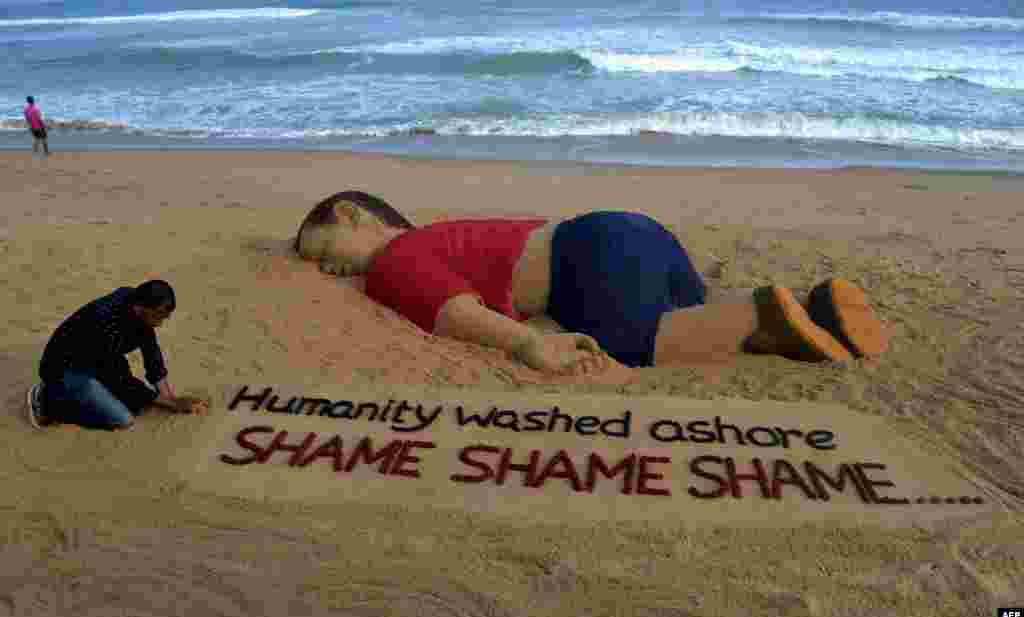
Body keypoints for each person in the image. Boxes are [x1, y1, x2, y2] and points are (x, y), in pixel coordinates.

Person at [294, 191, 889, 374]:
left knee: (630, 341)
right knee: (689, 310)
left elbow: (452, 312)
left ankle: (760, 315)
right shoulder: (451, 233)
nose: (328, 269)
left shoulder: (397, 258)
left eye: (324, 251)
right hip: (632, 232)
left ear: (352, 215)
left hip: (587, 261)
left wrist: (530, 343)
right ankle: (814, 309)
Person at [27, 280, 208, 430]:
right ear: (142, 307)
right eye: (159, 316)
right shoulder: (105, 325)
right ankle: (48, 400)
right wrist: (163, 401)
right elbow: (115, 376)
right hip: (67, 368)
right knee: (122, 420)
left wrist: (169, 398)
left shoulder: (137, 306)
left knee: (135, 404)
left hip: (99, 360)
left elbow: (151, 353)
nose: (161, 323)